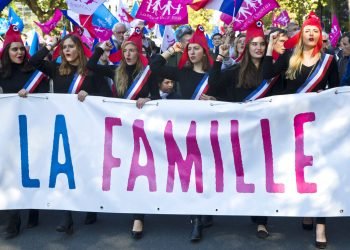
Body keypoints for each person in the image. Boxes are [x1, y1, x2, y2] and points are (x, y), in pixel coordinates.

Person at [263, 12, 339, 249]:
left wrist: (322, 94)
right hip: (290, 124)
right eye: (308, 29)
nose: (311, 33)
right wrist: (269, 48)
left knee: (319, 172)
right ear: (301, 34)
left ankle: (320, 225)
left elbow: (335, 91)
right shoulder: (288, 57)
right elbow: (267, 76)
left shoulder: (328, 60)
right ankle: (307, 208)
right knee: (297, 171)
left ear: (320, 36)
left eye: (316, 30)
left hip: (317, 124)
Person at [29, 31, 105, 234]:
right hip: (63, 126)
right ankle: (66, 216)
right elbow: (34, 61)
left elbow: (106, 96)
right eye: (65, 47)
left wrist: (90, 95)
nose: (67, 50)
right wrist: (51, 45)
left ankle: (90, 206)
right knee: (64, 171)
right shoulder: (55, 69)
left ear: (79, 49)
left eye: (71, 46)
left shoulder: (90, 72)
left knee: (85, 169)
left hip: (86, 127)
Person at [86, 27, 157, 239]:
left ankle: (139, 217)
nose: (128, 54)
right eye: (125, 50)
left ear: (139, 53)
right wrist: (100, 49)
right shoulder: (115, 69)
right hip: (117, 129)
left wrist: (149, 100)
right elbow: (91, 65)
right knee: (115, 169)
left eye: (132, 51)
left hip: (139, 129)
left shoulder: (147, 74)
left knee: (138, 173)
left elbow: (157, 98)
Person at [150, 25, 216, 241]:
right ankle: (195, 219)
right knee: (193, 172)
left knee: (208, 171)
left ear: (204, 52)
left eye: (197, 48)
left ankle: (206, 210)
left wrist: (216, 100)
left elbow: (228, 97)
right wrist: (170, 50)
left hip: (212, 130)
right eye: (190, 48)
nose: (192, 51)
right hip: (188, 130)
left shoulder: (215, 74)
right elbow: (154, 67)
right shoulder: (182, 73)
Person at [0, 25, 48, 239]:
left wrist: (31, 97)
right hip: (10, 131)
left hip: (33, 128)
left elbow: (48, 98)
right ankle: (12, 220)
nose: (19, 53)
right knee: (12, 175)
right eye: (14, 49)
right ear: (7, 52)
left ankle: (34, 209)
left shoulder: (35, 73)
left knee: (31, 172)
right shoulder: (2, 74)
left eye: (21, 49)